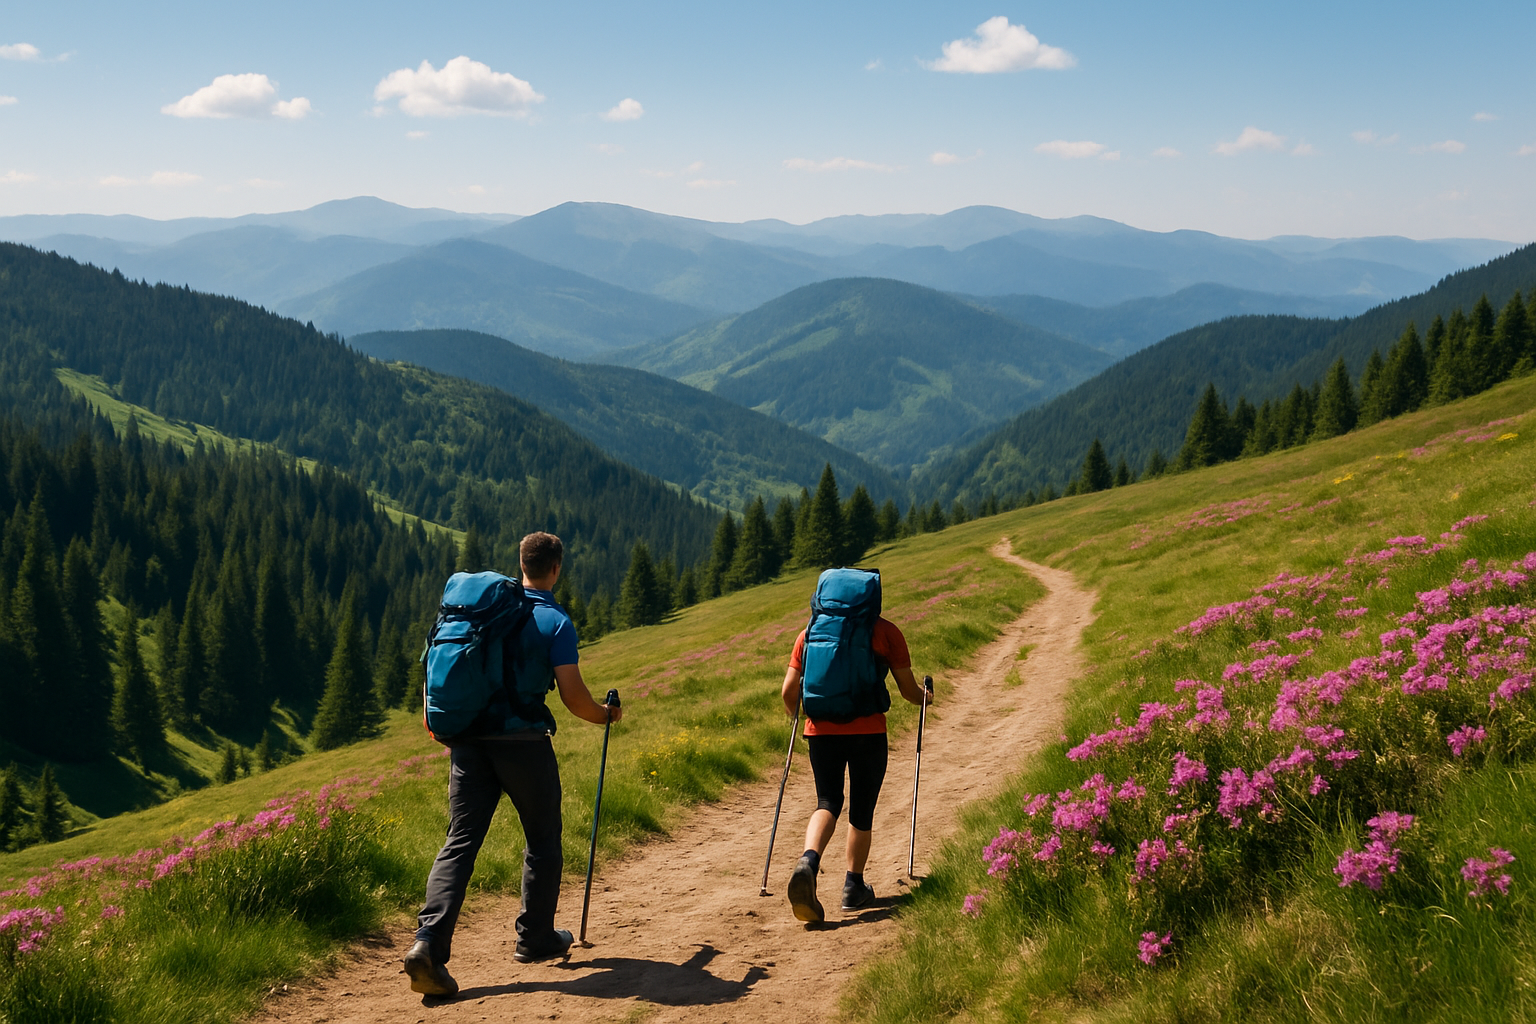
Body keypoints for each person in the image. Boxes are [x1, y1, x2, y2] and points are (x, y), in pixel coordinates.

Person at [405, 531, 623, 997]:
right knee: (542, 837)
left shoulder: (486, 613)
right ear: (556, 569)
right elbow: (574, 698)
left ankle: (428, 943)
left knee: (460, 841)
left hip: (467, 743)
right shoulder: (553, 621)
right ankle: (536, 938)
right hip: (523, 744)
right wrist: (606, 715)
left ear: (521, 565)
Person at [779, 582, 930, 923]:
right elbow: (909, 692)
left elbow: (789, 690)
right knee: (862, 809)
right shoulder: (886, 632)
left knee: (828, 801)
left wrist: (796, 715)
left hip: (820, 731)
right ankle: (853, 887)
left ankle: (808, 861)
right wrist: (927, 697)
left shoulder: (810, 632)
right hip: (869, 732)